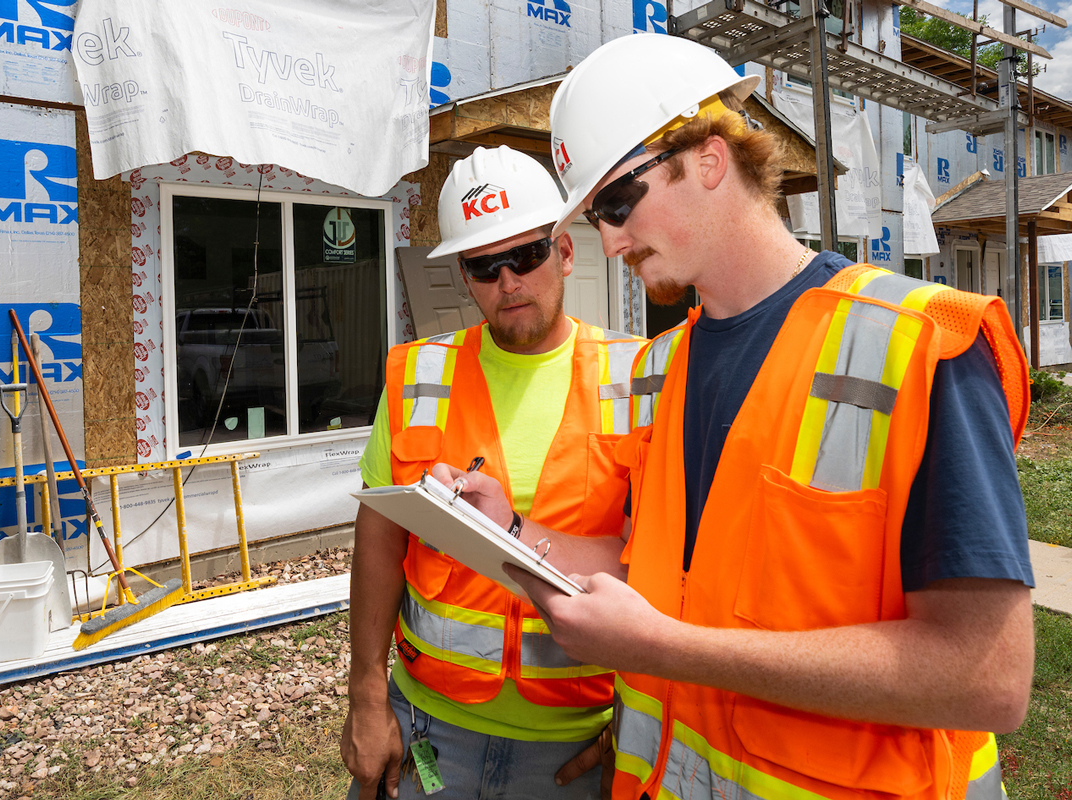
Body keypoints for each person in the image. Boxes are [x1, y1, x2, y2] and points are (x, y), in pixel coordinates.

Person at [441, 34, 1037, 800]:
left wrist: (671, 650)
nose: (611, 240)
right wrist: (515, 533)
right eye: (596, 217)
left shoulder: (918, 344)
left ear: (710, 160)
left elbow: (986, 677)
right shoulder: (662, 367)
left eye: (618, 204)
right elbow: (660, 573)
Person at [342, 145, 645, 800]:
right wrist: (367, 695)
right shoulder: (417, 376)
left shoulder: (640, 379)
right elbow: (379, 541)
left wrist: (641, 714)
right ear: (463, 275)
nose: (508, 281)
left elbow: (666, 563)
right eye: (484, 266)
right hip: (429, 723)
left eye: (527, 256)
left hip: (575, 739)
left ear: (564, 252)